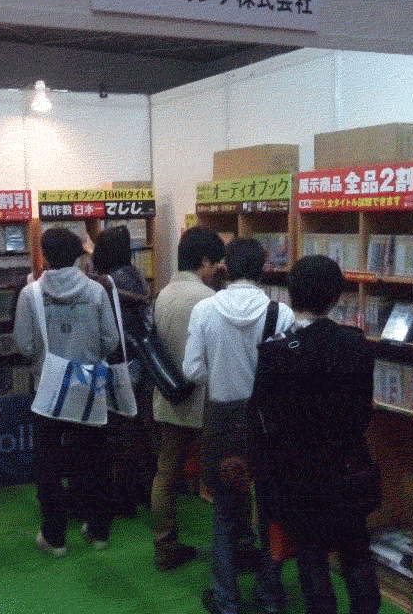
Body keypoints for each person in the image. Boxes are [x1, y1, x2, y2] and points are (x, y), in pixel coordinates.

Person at [248, 255, 381, 614]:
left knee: (312, 556)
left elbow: (264, 417)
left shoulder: (275, 352)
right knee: (357, 552)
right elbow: (364, 410)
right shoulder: (355, 344)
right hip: (348, 464)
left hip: (297, 471)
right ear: (336, 296)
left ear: (291, 295)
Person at [182, 237, 294, 614]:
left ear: (226, 267)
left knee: (225, 510)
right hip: (268, 422)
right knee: (271, 507)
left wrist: (220, 373)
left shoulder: (205, 309)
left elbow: (192, 369)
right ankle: (270, 593)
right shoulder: (281, 313)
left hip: (222, 419)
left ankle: (227, 598)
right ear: (263, 270)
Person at [14, 227, 119, 555]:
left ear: (44, 256)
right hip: (88, 382)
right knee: (95, 459)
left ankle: (55, 536)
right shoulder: (96, 290)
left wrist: (45, 357)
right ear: (77, 256)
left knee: (48, 464)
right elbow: (111, 340)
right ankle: (98, 531)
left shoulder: (30, 294)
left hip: (48, 385)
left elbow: (24, 344)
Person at [149, 225, 226, 572]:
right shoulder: (209, 300)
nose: (219, 270)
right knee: (222, 475)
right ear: (205, 261)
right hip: (206, 401)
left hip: (169, 397)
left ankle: (164, 545)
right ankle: (228, 551)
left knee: (165, 474)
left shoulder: (162, 294)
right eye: (216, 263)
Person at [90, 224, 154, 518]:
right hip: (140, 358)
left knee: (118, 431)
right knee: (138, 428)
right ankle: (142, 490)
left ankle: (123, 496)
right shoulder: (134, 274)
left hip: (119, 361)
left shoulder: (108, 281)